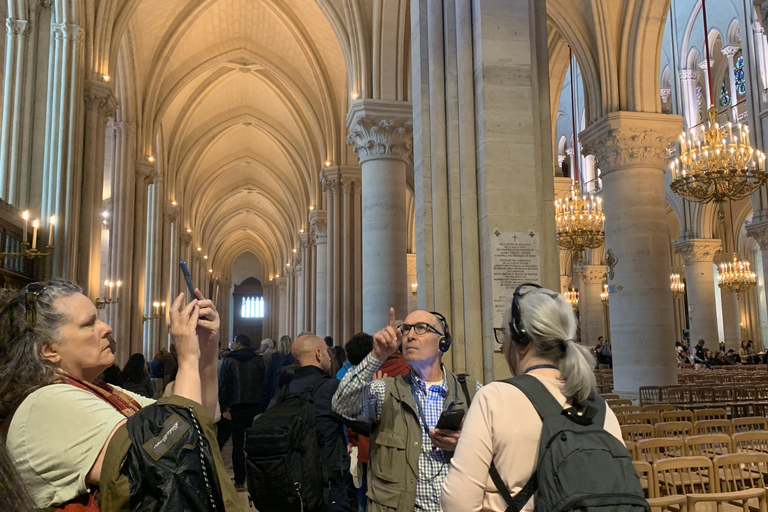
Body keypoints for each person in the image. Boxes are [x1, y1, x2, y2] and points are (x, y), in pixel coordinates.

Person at [0, 280, 224, 509]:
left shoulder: (101, 390)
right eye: (89, 324)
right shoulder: (45, 405)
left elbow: (196, 422)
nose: (107, 328)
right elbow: (175, 457)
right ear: (48, 349)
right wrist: (187, 359)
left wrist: (207, 353)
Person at [441, 284, 623, 512]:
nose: (503, 344)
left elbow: (458, 505)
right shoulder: (601, 409)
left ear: (521, 339)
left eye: (504, 334)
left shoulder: (494, 398)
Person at [333, 308, 481, 512]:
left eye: (421, 328)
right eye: (406, 330)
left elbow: (502, 453)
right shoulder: (384, 390)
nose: (410, 335)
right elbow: (342, 404)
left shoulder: (471, 391)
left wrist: (466, 444)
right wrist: (376, 355)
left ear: (443, 342)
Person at [290, 335, 351, 511]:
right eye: (326, 352)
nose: (330, 357)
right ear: (318, 354)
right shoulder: (332, 388)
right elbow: (364, 422)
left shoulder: (286, 389)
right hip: (327, 483)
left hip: (295, 479)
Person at [217, 333, 266, 490]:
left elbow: (223, 386)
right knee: (255, 443)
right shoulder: (258, 359)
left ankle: (239, 480)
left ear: (238, 344)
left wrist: (224, 407)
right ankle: (256, 479)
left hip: (235, 407)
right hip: (255, 406)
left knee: (237, 445)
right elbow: (264, 384)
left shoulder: (229, 360)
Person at [261, 334, 296, 405]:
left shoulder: (275, 356)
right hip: (291, 385)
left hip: (276, 384)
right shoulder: (295, 357)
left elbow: (269, 373)